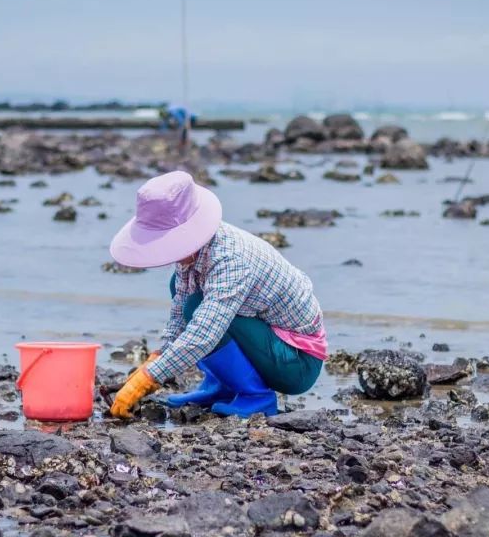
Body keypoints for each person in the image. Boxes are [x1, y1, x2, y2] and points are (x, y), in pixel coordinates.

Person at [107, 170, 327, 419]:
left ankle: (256, 396)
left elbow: (204, 333)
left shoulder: (229, 259)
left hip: (296, 362)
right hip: (263, 339)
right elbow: (179, 315)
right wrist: (157, 357)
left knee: (199, 308)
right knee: (184, 295)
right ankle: (221, 386)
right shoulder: (194, 254)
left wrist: (148, 379)